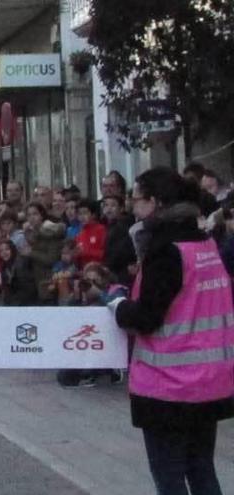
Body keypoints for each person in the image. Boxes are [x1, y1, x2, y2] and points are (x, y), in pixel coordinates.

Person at [110, 167, 233, 494]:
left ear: (156, 202)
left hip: (168, 384)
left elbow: (147, 317)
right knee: (202, 470)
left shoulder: (166, 250)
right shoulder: (204, 244)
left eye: (136, 199)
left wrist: (118, 306)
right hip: (208, 380)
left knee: (170, 478)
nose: (132, 207)